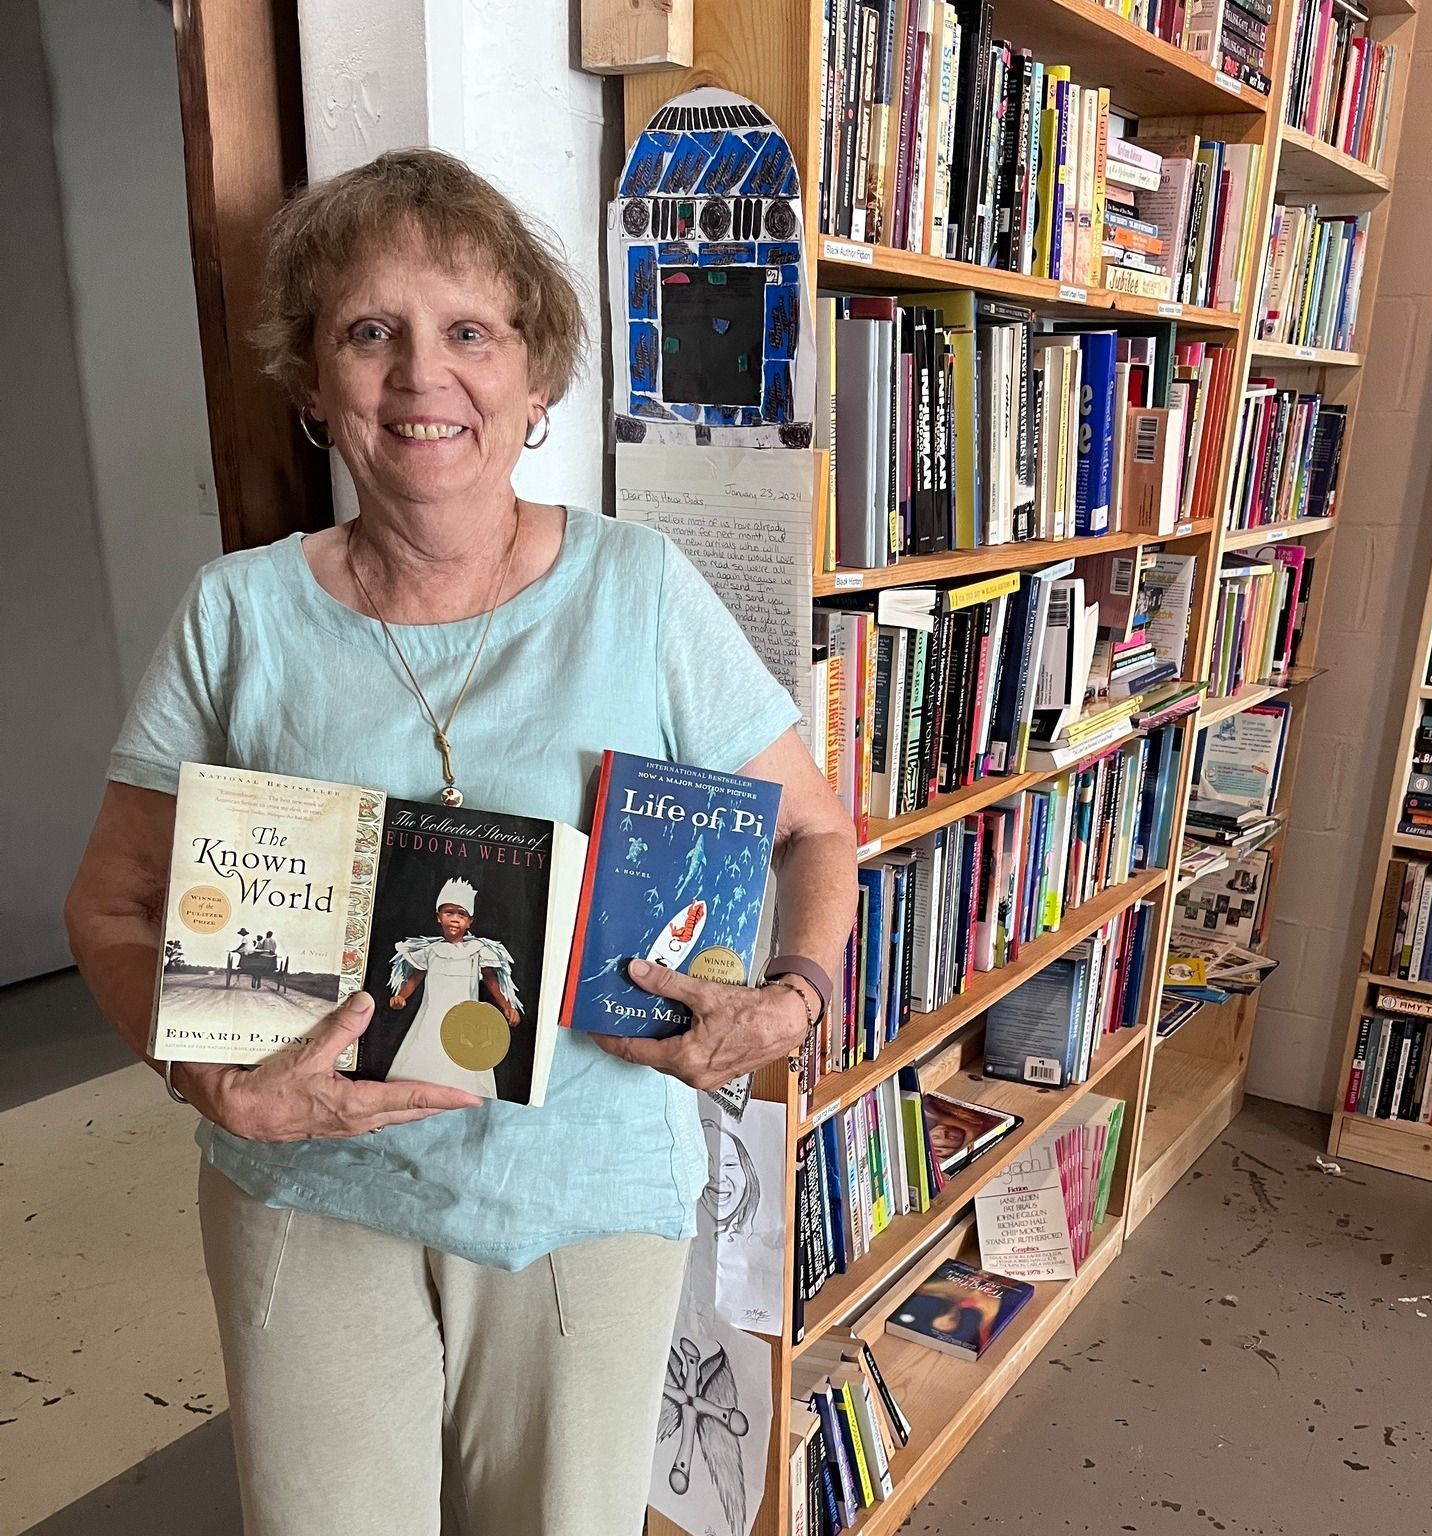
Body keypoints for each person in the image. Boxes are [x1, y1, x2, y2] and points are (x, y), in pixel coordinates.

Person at [64, 147, 857, 1536]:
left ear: (536, 384)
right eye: (370, 332)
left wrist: (790, 998)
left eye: (469, 333)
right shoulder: (237, 614)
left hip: (586, 1193)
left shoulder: (641, 587)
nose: (422, 375)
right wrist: (208, 1082)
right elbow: (117, 909)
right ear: (316, 385)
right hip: (305, 1186)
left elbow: (817, 827)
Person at [386, 877, 520, 1097]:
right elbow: (415, 978)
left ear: (470, 921)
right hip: (431, 1015)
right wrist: (401, 996)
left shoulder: (477, 949)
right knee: (425, 1052)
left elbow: (490, 980)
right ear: (438, 917)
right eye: (449, 913)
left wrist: (506, 1006)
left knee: (464, 1059)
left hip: (464, 1018)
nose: (455, 920)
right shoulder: (431, 951)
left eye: (461, 914)